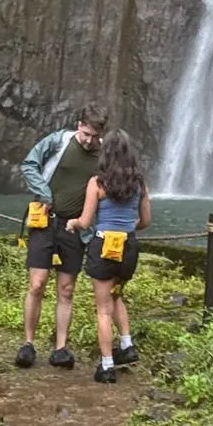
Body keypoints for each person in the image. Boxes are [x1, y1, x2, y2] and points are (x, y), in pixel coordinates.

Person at [15, 104, 107, 370]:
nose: (89, 140)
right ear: (79, 124)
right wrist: (44, 193)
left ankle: (60, 347)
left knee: (66, 289)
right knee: (37, 283)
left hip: (76, 227)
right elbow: (29, 164)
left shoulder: (103, 156)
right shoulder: (58, 141)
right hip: (45, 221)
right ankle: (29, 343)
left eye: (94, 136)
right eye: (86, 133)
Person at [67, 129, 152, 384]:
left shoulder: (98, 183)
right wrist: (127, 228)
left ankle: (106, 366)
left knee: (103, 310)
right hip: (128, 247)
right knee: (117, 296)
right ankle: (127, 346)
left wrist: (72, 223)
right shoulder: (139, 183)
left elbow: (86, 220)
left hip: (103, 245)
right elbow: (146, 221)